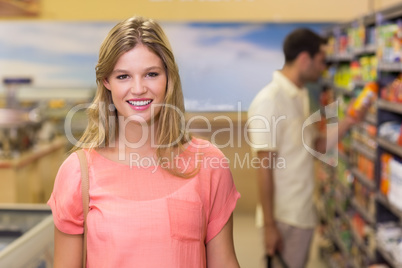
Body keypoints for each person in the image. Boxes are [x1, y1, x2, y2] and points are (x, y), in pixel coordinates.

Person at [48, 16, 241, 268]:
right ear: (106, 81)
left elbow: (224, 262)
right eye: (123, 76)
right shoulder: (77, 174)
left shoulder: (209, 164)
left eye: (151, 74)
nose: (138, 89)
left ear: (169, 78)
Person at [247, 28, 368, 268]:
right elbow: (264, 168)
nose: (323, 68)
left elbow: (317, 145)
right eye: (321, 61)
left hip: (302, 212)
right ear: (304, 59)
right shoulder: (269, 101)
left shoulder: (300, 95)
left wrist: (351, 119)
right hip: (285, 218)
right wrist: (270, 226)